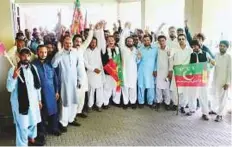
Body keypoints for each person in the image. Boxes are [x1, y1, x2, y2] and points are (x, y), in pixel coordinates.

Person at [6, 47, 42, 146]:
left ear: (30, 57)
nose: (26, 58)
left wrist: (39, 100)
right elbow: (9, 88)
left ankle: (31, 138)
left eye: (28, 55)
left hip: (33, 102)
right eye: (23, 55)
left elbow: (38, 86)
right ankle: (22, 144)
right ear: (19, 57)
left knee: (33, 121)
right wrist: (14, 77)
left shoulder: (33, 68)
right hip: (20, 104)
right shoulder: (13, 69)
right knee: (22, 126)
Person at [51, 36, 84, 131]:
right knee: (64, 103)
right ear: (63, 43)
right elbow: (54, 64)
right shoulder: (59, 53)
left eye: (70, 43)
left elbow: (78, 67)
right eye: (66, 43)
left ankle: (71, 119)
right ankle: (63, 122)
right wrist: (60, 53)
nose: (68, 45)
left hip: (74, 82)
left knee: (74, 101)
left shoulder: (75, 53)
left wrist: (79, 79)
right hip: (64, 82)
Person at [33, 45, 61, 138]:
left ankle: (54, 128)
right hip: (40, 93)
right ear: (37, 53)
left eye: (45, 52)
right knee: (41, 113)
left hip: (51, 91)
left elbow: (55, 78)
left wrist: (57, 91)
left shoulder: (50, 64)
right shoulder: (33, 65)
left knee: (53, 111)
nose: (43, 54)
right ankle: (42, 131)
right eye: (41, 52)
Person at [188, 40, 215, 120]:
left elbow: (213, 63)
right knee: (192, 93)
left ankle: (205, 113)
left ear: (199, 46)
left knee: (204, 94)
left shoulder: (205, 53)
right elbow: (189, 65)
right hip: (194, 76)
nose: (194, 47)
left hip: (203, 76)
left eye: (195, 46)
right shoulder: (191, 54)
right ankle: (192, 109)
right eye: (193, 46)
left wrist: (208, 69)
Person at [72, 24, 94, 117]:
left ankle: (79, 111)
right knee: (76, 95)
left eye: (80, 41)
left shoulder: (81, 49)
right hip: (74, 76)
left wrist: (91, 30)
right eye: (76, 41)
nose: (78, 43)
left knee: (82, 95)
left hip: (83, 75)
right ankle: (73, 114)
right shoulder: (70, 50)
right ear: (73, 42)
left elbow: (88, 40)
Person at [84, 23, 106, 112]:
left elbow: (101, 40)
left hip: (99, 72)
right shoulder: (85, 51)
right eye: (92, 42)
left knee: (99, 89)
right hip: (90, 73)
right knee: (91, 90)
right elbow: (85, 63)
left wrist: (100, 29)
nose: (93, 44)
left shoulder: (98, 49)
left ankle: (99, 104)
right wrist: (93, 69)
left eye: (95, 42)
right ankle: (90, 105)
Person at [170, 34, 192, 112]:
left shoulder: (190, 50)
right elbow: (170, 59)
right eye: (179, 39)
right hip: (176, 71)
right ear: (178, 40)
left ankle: (183, 105)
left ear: (185, 40)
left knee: (184, 90)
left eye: (183, 39)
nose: (181, 40)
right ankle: (175, 104)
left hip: (185, 72)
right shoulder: (174, 49)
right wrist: (171, 69)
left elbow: (191, 61)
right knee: (175, 89)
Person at [211, 40, 231, 122]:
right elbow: (213, 65)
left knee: (223, 98)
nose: (222, 47)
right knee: (215, 96)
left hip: (224, 81)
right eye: (220, 46)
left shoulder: (229, 57)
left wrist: (227, 83)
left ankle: (220, 115)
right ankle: (215, 110)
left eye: (224, 46)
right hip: (216, 80)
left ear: (227, 47)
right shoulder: (216, 55)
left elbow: (230, 70)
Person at [101, 35, 123, 108]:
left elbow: (120, 59)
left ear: (114, 41)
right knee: (107, 87)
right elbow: (103, 61)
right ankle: (105, 103)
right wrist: (109, 68)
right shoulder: (104, 49)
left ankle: (116, 101)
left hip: (117, 71)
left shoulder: (118, 49)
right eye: (109, 40)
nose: (111, 41)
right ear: (107, 42)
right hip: (108, 71)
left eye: (112, 40)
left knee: (117, 87)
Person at [119, 23, 137, 109]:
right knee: (125, 87)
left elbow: (137, 60)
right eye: (128, 41)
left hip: (133, 71)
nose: (130, 42)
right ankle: (126, 102)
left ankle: (133, 102)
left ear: (133, 42)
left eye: (131, 41)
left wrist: (139, 57)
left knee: (133, 87)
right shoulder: (123, 48)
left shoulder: (135, 49)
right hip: (125, 70)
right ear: (126, 42)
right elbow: (122, 37)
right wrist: (126, 28)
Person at [137, 34, 158, 108]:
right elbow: (137, 62)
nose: (146, 42)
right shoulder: (140, 49)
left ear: (151, 40)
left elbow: (156, 61)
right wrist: (138, 58)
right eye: (145, 40)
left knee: (151, 87)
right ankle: (141, 102)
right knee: (141, 86)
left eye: (148, 40)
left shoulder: (155, 49)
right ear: (143, 41)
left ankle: (150, 102)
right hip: (141, 70)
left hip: (151, 71)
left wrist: (155, 70)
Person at [156, 35, 172, 110]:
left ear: (165, 41)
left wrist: (170, 71)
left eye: (163, 40)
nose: (162, 42)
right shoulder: (157, 49)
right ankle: (158, 102)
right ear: (158, 42)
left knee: (166, 88)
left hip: (166, 72)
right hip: (158, 72)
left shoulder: (169, 50)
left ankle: (167, 103)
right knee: (158, 88)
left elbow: (171, 62)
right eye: (160, 41)